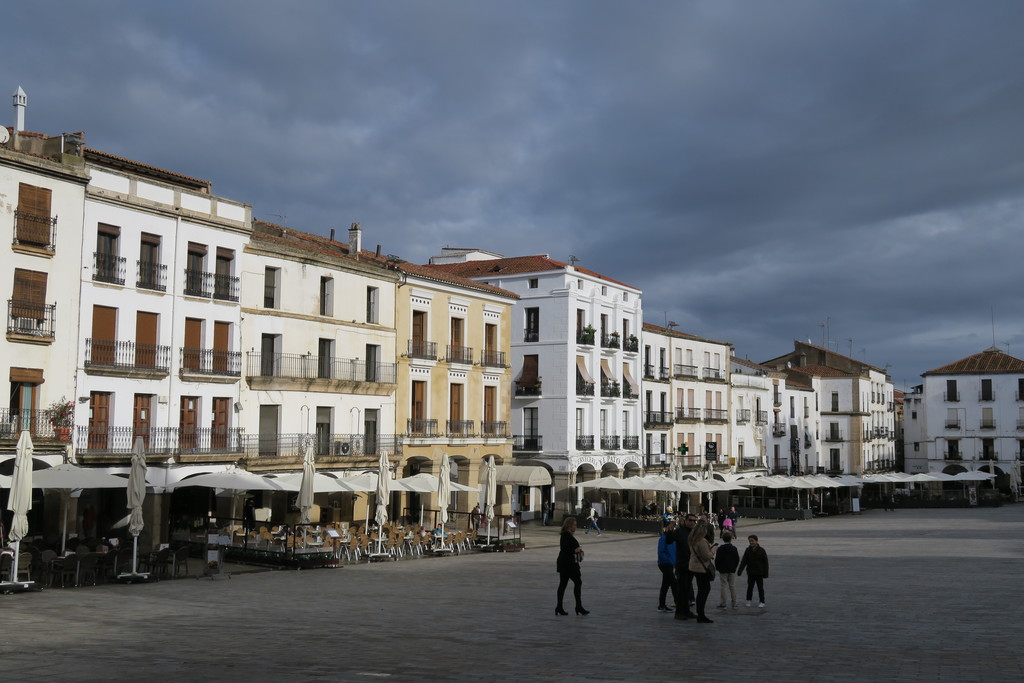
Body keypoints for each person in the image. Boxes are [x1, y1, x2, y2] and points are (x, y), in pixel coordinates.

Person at [555, 517, 588, 616]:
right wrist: (576, 550)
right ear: (569, 525)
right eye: (574, 525)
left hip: (567, 563)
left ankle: (560, 607)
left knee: (563, 585)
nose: (576, 527)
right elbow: (564, 549)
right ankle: (578, 606)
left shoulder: (568, 535)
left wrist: (579, 550)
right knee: (576, 582)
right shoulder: (565, 535)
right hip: (568, 564)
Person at [667, 513, 697, 621]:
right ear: (686, 520)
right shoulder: (679, 532)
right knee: (682, 590)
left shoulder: (694, 532)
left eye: (694, 521)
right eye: (690, 520)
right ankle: (679, 612)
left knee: (687, 589)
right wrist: (669, 531)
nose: (692, 522)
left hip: (692, 565)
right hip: (682, 565)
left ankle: (687, 611)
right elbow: (669, 541)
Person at [687, 519, 718, 623]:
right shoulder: (702, 541)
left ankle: (701, 613)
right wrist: (714, 549)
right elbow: (707, 556)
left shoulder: (692, 539)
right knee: (703, 591)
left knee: (702, 590)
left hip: (694, 567)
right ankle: (701, 614)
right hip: (701, 568)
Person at [737, 534, 770, 608]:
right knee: (750, 587)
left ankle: (762, 601)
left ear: (756, 541)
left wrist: (766, 573)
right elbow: (744, 561)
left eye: (752, 541)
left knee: (760, 588)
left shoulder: (761, 550)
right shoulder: (747, 550)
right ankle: (748, 600)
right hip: (751, 572)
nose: (751, 542)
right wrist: (740, 570)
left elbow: (765, 563)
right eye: (749, 541)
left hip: (759, 572)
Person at [656, 519, 678, 612]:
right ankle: (678, 602)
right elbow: (661, 552)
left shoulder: (672, 538)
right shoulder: (663, 538)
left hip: (670, 563)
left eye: (673, 526)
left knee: (666, 584)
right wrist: (668, 561)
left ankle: (661, 605)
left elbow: (674, 551)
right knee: (673, 583)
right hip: (665, 564)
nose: (672, 528)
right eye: (670, 526)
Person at [714, 531, 740, 610]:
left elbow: (717, 559)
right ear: (731, 539)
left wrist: (718, 567)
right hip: (732, 569)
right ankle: (734, 603)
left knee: (723, 586)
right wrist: (734, 567)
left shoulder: (720, 548)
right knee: (732, 586)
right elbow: (737, 559)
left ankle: (723, 603)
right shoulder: (734, 548)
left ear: (723, 539)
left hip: (723, 569)